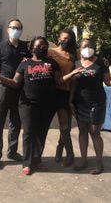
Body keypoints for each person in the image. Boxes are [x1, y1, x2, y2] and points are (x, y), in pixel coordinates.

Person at [0, 36, 82, 175]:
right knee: (28, 133)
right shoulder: (24, 64)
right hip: (27, 105)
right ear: (32, 49)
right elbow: (15, 82)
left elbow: (59, 81)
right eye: (37, 46)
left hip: (47, 105)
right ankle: (27, 163)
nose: (41, 48)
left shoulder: (52, 63)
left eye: (44, 46)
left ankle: (37, 160)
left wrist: (72, 73)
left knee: (41, 134)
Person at [70, 38, 111, 175]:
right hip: (80, 102)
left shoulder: (101, 62)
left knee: (95, 131)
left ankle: (98, 162)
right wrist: (70, 101)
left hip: (97, 102)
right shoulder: (76, 63)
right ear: (80, 48)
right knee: (82, 131)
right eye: (84, 46)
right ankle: (83, 160)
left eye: (90, 46)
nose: (87, 48)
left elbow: (108, 82)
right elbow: (73, 84)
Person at [0, 19, 31, 170]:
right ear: (8, 30)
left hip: (21, 91)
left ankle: (12, 152)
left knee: (16, 123)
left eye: (19, 28)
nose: (16, 30)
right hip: (4, 90)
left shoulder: (26, 47)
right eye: (13, 27)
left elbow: (34, 62)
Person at [47, 28, 79, 167]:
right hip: (55, 92)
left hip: (70, 92)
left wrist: (103, 61)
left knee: (66, 127)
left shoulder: (74, 54)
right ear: (58, 38)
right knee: (64, 126)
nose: (65, 41)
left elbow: (88, 57)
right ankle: (70, 155)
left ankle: (60, 149)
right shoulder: (50, 52)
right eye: (63, 38)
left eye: (68, 38)